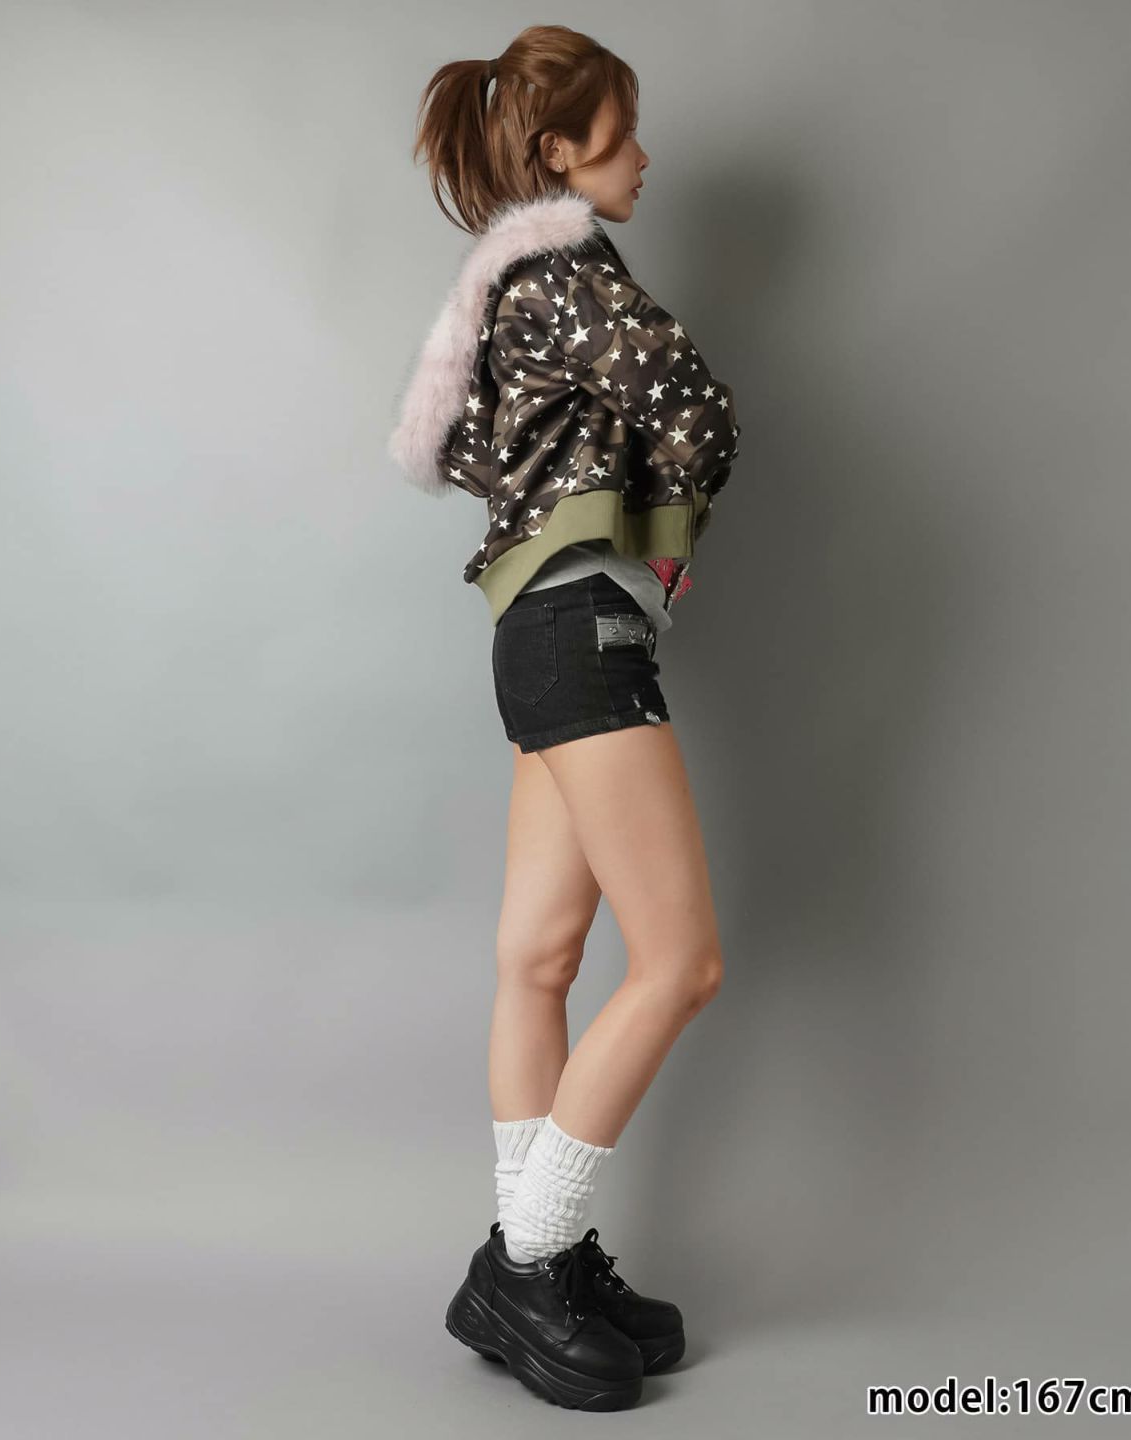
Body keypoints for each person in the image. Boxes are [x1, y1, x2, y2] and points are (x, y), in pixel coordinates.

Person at [388, 24, 743, 1412]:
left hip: (530, 635)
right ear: (559, 150)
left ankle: (543, 1265)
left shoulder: (500, 292)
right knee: (680, 963)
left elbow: (493, 453)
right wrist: (667, 545)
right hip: (585, 626)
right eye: (620, 131)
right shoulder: (571, 270)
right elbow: (697, 406)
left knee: (538, 959)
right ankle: (526, 1260)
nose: (642, 155)